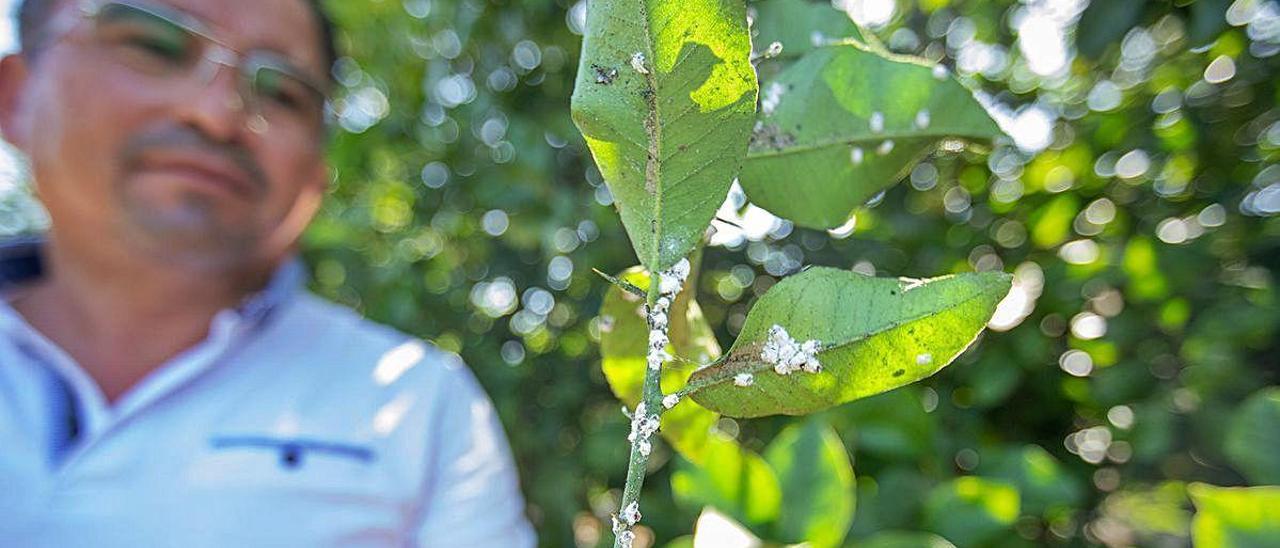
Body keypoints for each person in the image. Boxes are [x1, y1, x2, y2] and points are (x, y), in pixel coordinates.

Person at [0, 0, 536, 545]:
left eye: (282, 92)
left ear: (317, 177)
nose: (215, 113)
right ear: (15, 93)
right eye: (153, 45)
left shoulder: (423, 405)